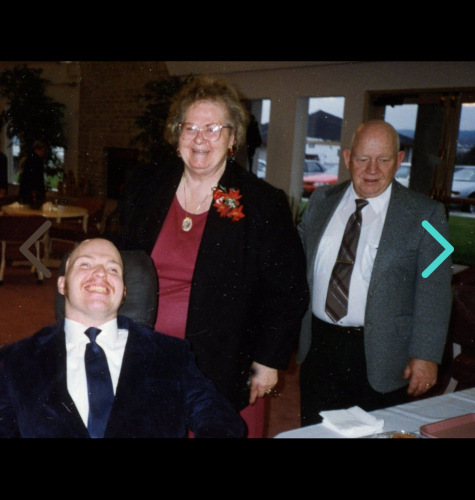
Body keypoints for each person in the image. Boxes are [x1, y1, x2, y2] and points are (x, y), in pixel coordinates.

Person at [108, 75, 309, 438]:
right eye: (190, 128)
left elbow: (286, 290)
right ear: (177, 135)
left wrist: (268, 360)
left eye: (213, 128)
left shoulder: (262, 203)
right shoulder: (146, 186)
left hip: (222, 365)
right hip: (142, 354)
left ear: (233, 139)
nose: (200, 138)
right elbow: (116, 258)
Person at [0, 238, 246, 438]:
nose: (100, 273)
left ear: (124, 292)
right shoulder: (16, 360)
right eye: (85, 264)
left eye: (113, 269)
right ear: (62, 284)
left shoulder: (171, 354)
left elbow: (219, 417)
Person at [297, 119, 453, 426]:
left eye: (383, 160)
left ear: (399, 160)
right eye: (362, 159)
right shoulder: (320, 201)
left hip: (383, 355)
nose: (372, 170)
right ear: (347, 158)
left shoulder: (427, 216)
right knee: (314, 431)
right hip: (319, 346)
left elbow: (435, 289)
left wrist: (426, 354)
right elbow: (295, 258)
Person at [18, 140, 47, 207]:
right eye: (42, 151)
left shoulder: (29, 159)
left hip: (27, 190)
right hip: (33, 191)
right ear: (37, 149)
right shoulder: (37, 160)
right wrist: (36, 191)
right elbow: (36, 178)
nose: (43, 153)